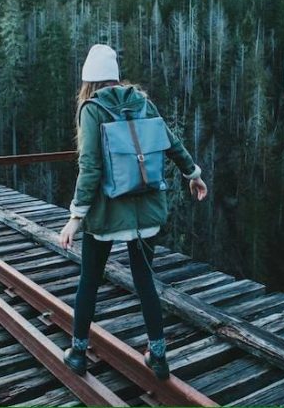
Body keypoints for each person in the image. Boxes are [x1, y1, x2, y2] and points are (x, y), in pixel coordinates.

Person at [59, 44, 208, 380]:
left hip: (108, 216)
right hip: (146, 212)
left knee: (89, 281)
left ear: (88, 82)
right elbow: (171, 143)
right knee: (144, 282)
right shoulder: (141, 101)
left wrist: (75, 217)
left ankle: (79, 352)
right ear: (114, 76)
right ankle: (158, 357)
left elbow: (91, 168)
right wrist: (194, 176)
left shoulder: (91, 109)